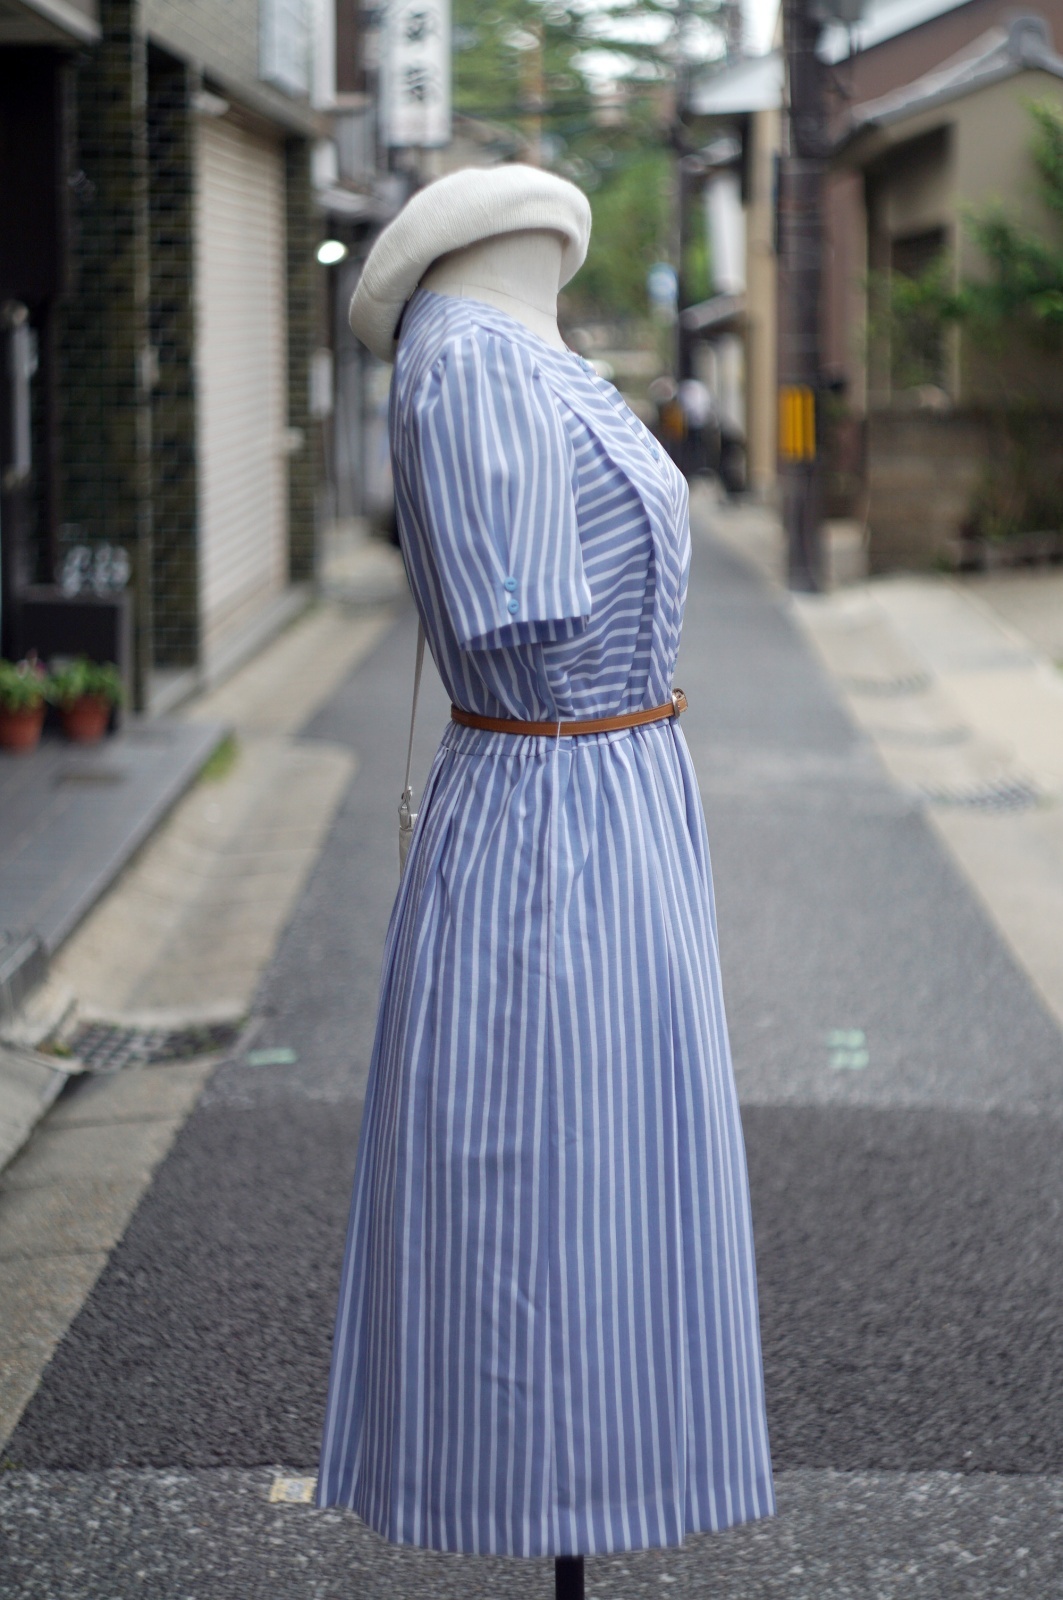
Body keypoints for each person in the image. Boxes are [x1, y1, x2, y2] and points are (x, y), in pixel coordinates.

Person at [316, 164, 775, 1571]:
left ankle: (610, 1475)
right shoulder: (471, 366)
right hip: (552, 818)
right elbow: (515, 616)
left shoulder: (538, 356)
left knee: (617, 1166)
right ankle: (545, 1491)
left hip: (613, 800)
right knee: (543, 1182)